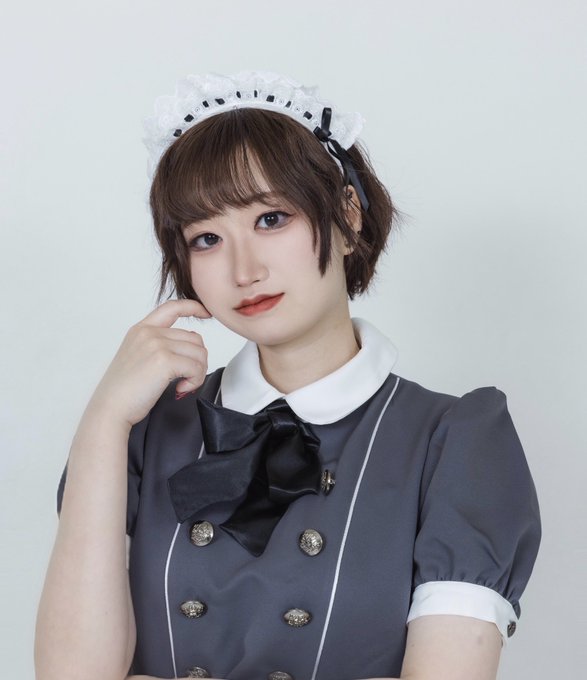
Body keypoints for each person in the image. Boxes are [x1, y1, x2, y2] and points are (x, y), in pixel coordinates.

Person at [35, 71, 541, 680]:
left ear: (348, 215)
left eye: (271, 219)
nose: (243, 269)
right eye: (206, 238)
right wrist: (104, 417)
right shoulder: (142, 433)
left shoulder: (457, 444)